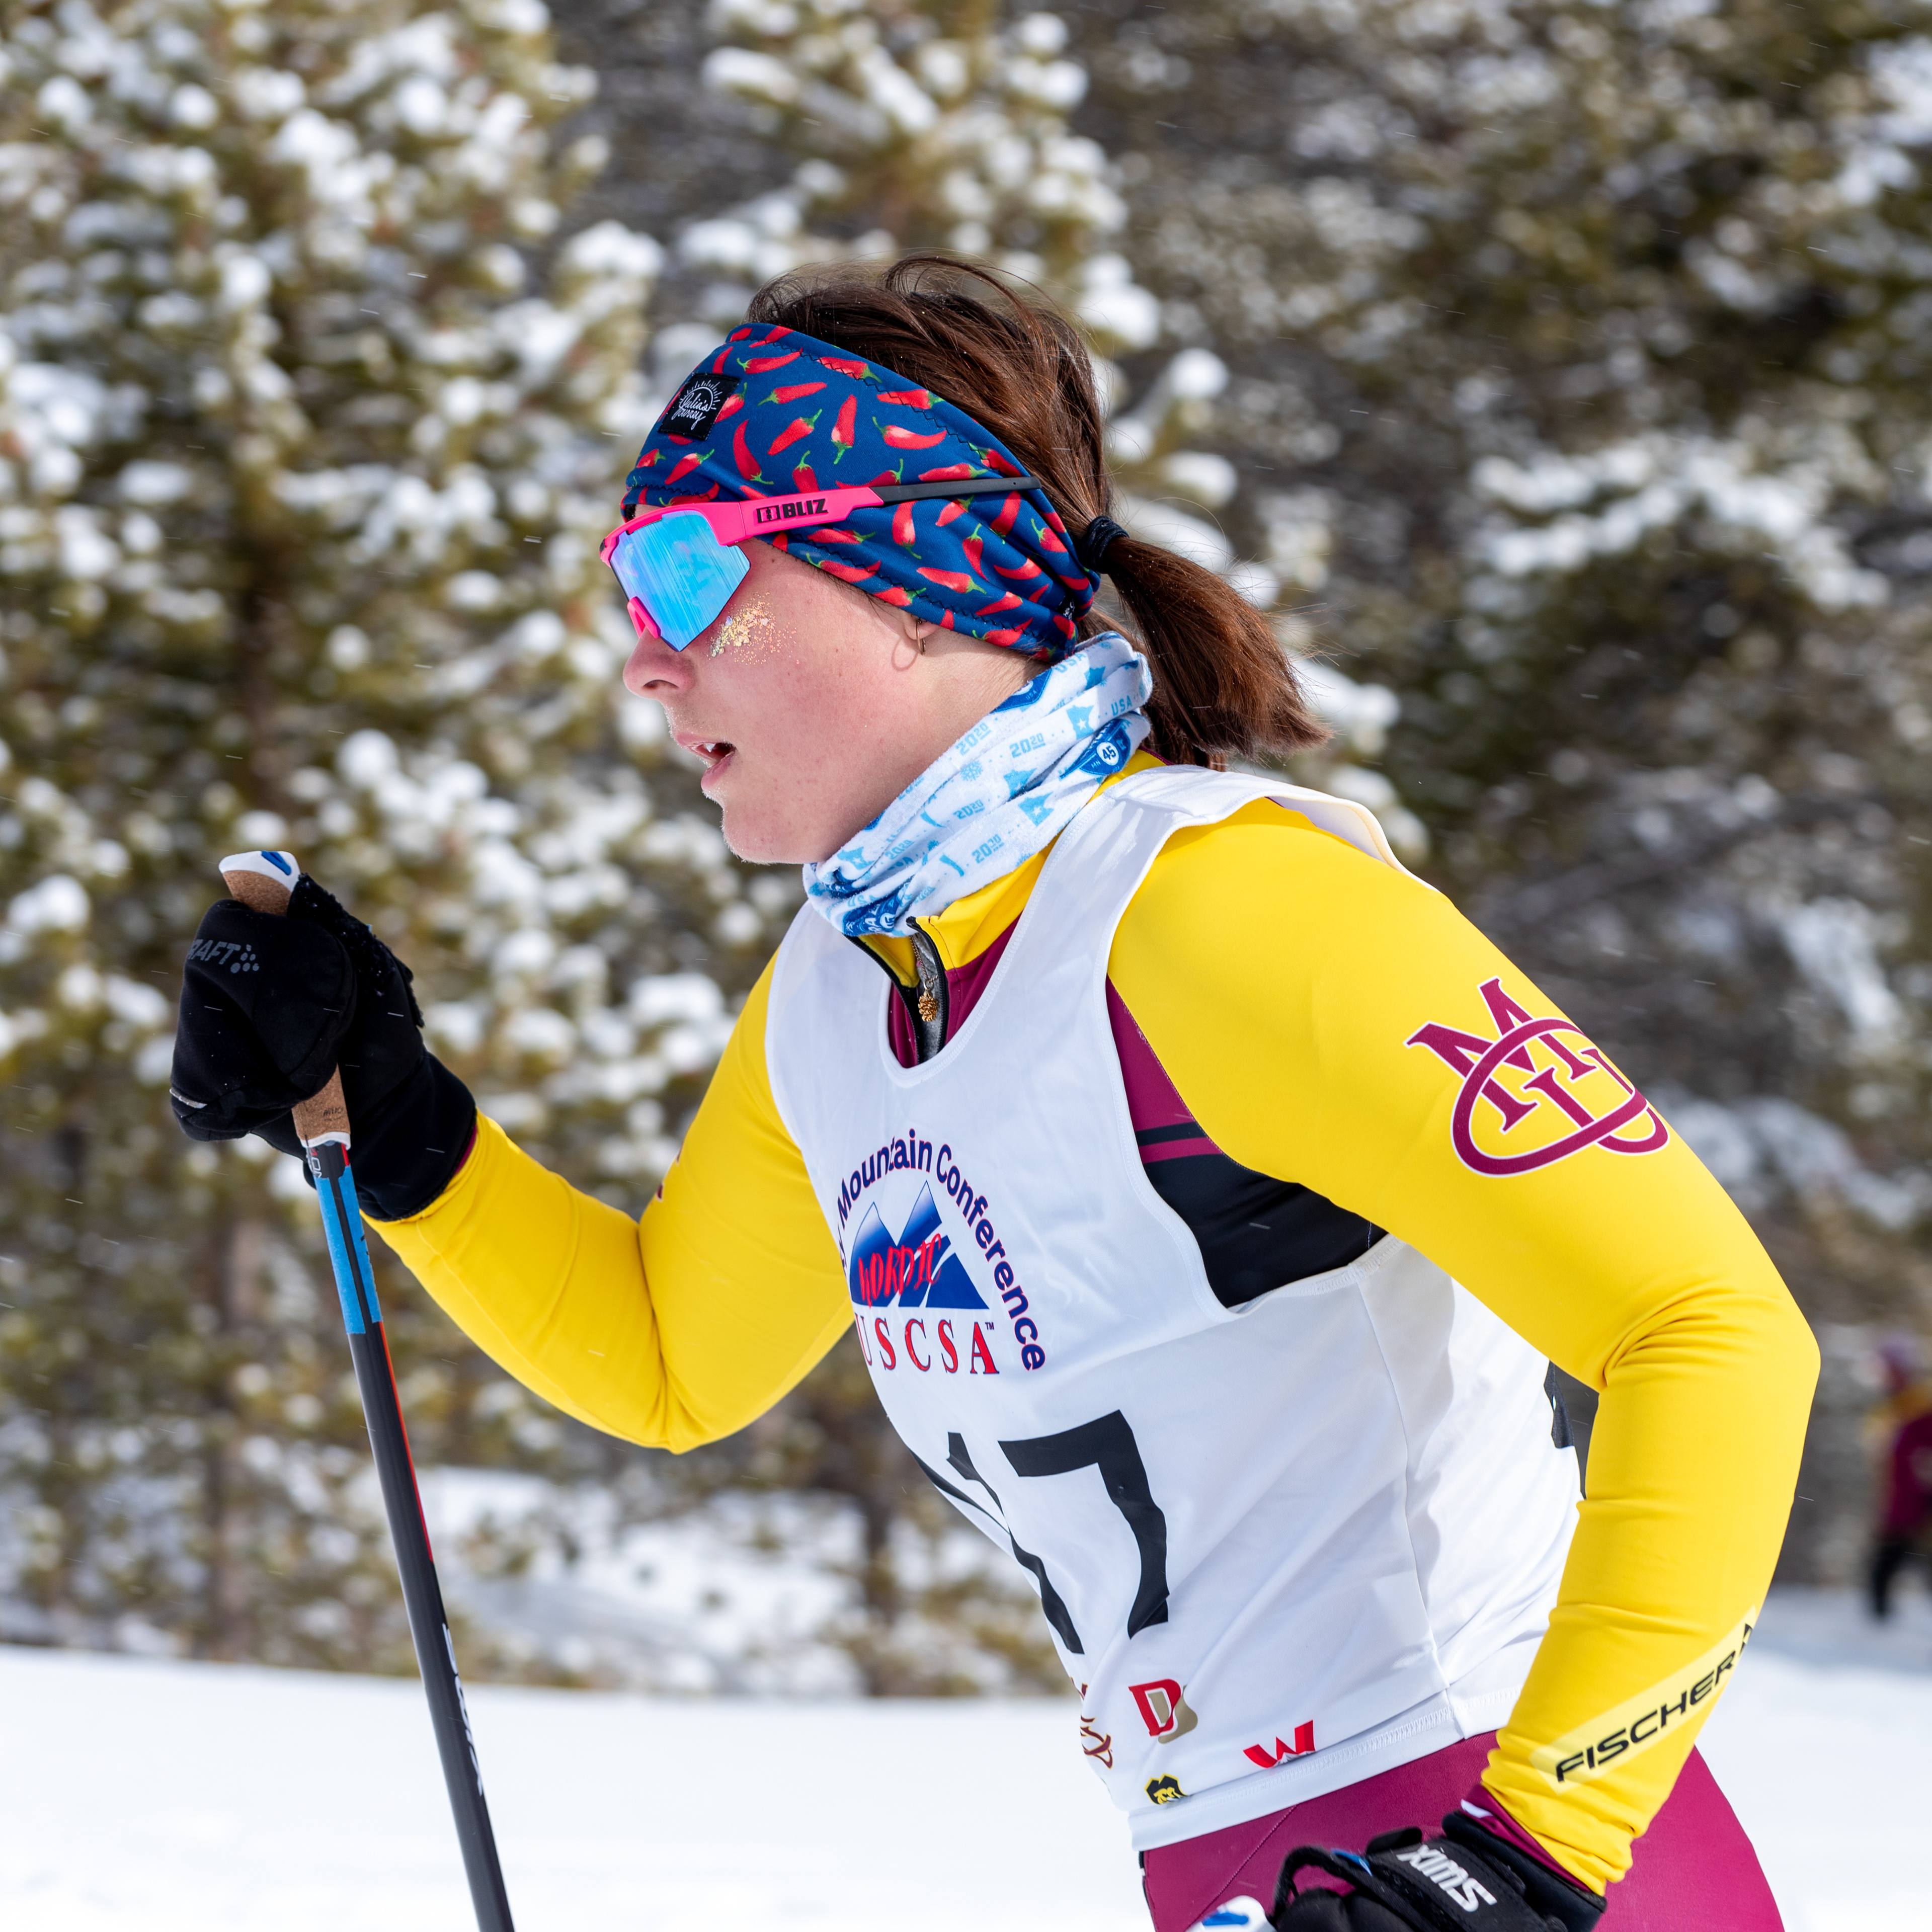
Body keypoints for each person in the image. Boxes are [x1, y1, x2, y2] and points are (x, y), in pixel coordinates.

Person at [169, 257, 1817, 1931]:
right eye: (628, 588)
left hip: (1500, 1846)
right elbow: (671, 1359)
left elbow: (1714, 1333)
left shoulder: (1228, 915)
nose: (648, 664)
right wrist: (396, 1118)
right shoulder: (845, 992)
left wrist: (1530, 1855)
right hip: (1229, 1862)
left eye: (687, 571)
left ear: (909, 577)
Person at [1867, 1332, 1932, 1620]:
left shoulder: (1920, 1409)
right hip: (1899, 1505)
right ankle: (1879, 1623)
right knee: (1886, 1565)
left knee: (1892, 1562)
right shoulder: (1889, 1410)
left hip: (1919, 1507)